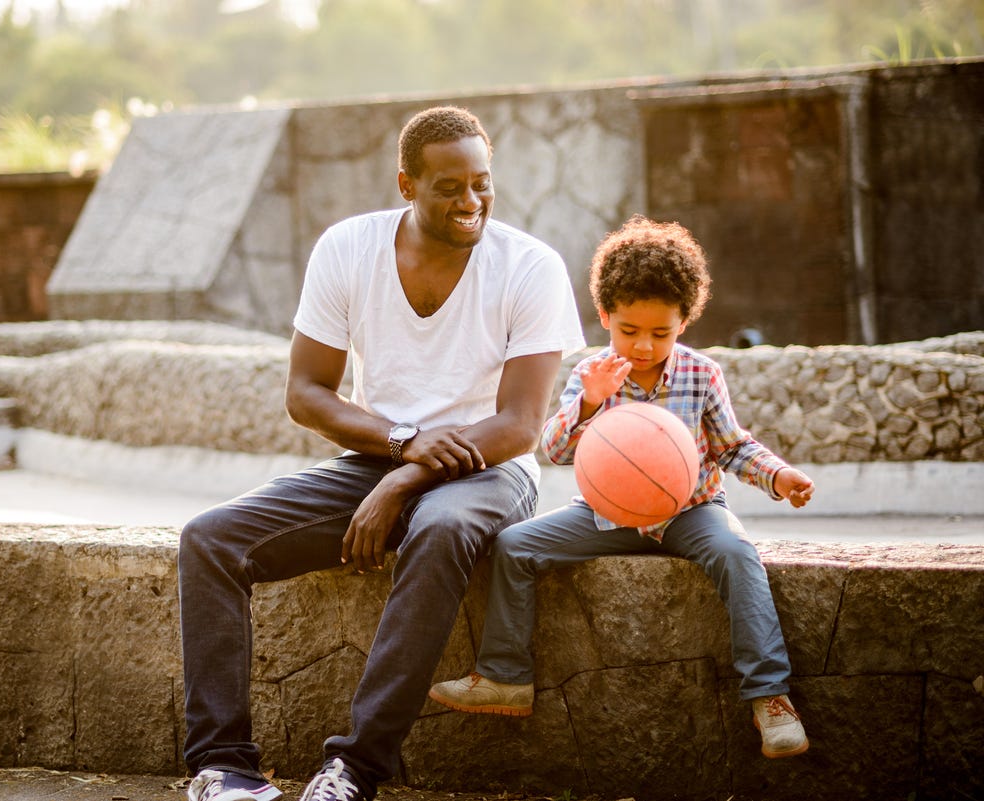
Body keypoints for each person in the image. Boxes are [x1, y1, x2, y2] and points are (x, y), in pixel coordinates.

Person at [177, 106, 586, 801]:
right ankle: (223, 767)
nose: (471, 201)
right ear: (406, 183)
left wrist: (405, 481)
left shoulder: (530, 267)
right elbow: (307, 393)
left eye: (482, 183)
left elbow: (520, 424)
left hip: (491, 469)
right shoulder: (348, 249)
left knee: (442, 524)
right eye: (449, 187)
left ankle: (354, 769)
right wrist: (400, 445)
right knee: (210, 539)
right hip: (379, 459)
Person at [428, 214, 815, 759]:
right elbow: (556, 450)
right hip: (604, 515)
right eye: (628, 331)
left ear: (685, 321)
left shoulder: (702, 375)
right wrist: (589, 402)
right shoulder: (590, 377)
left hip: (691, 512)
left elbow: (731, 447)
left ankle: (771, 699)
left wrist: (779, 475)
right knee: (514, 546)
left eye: (661, 332)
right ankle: (505, 676)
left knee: (737, 553)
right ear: (606, 316)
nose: (643, 346)